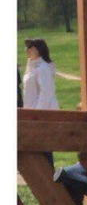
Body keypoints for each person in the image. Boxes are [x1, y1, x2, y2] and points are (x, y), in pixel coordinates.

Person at [22, 37, 59, 167]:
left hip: (42, 117)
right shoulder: (32, 68)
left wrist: (37, 114)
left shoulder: (42, 68)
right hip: (32, 116)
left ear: (38, 50)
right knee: (36, 151)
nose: (27, 50)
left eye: (30, 47)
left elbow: (46, 93)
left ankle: (49, 177)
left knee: (44, 150)